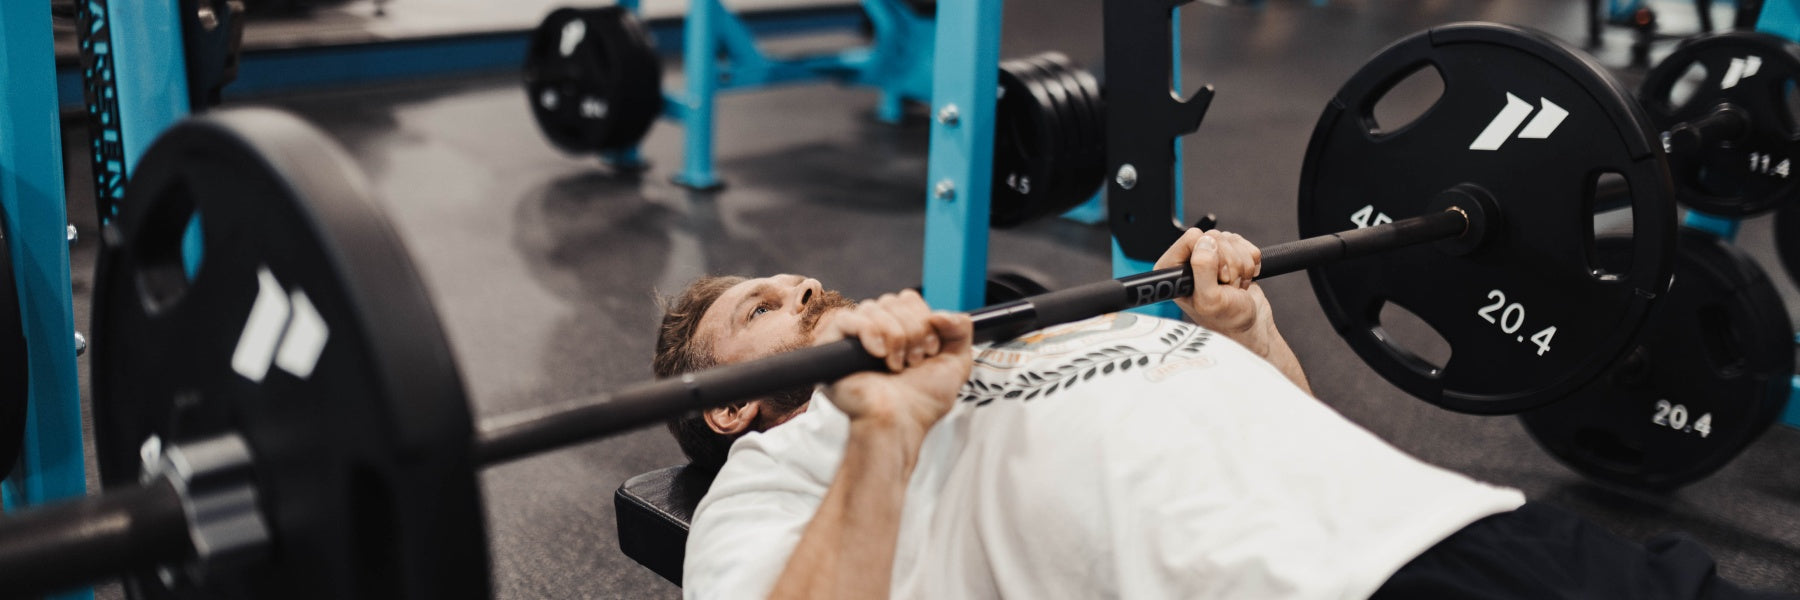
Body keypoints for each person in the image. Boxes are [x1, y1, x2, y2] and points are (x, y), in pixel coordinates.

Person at [653, 229, 1785, 599]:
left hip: (1459, 524)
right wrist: (886, 427)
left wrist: (1244, 332)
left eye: (796, 278)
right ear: (728, 403)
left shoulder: (1053, 333)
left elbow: (1288, 433)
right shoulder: (777, 475)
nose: (803, 285)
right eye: (761, 303)